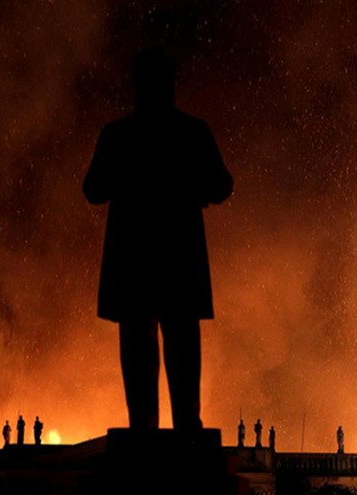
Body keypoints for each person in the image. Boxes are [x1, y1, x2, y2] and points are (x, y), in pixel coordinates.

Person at [83, 47, 232, 432]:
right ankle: (187, 426)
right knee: (182, 345)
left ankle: (143, 428)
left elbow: (93, 189)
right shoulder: (193, 132)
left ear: (137, 87)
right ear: (172, 85)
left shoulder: (117, 135)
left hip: (132, 262)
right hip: (179, 261)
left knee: (137, 347)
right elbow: (222, 185)